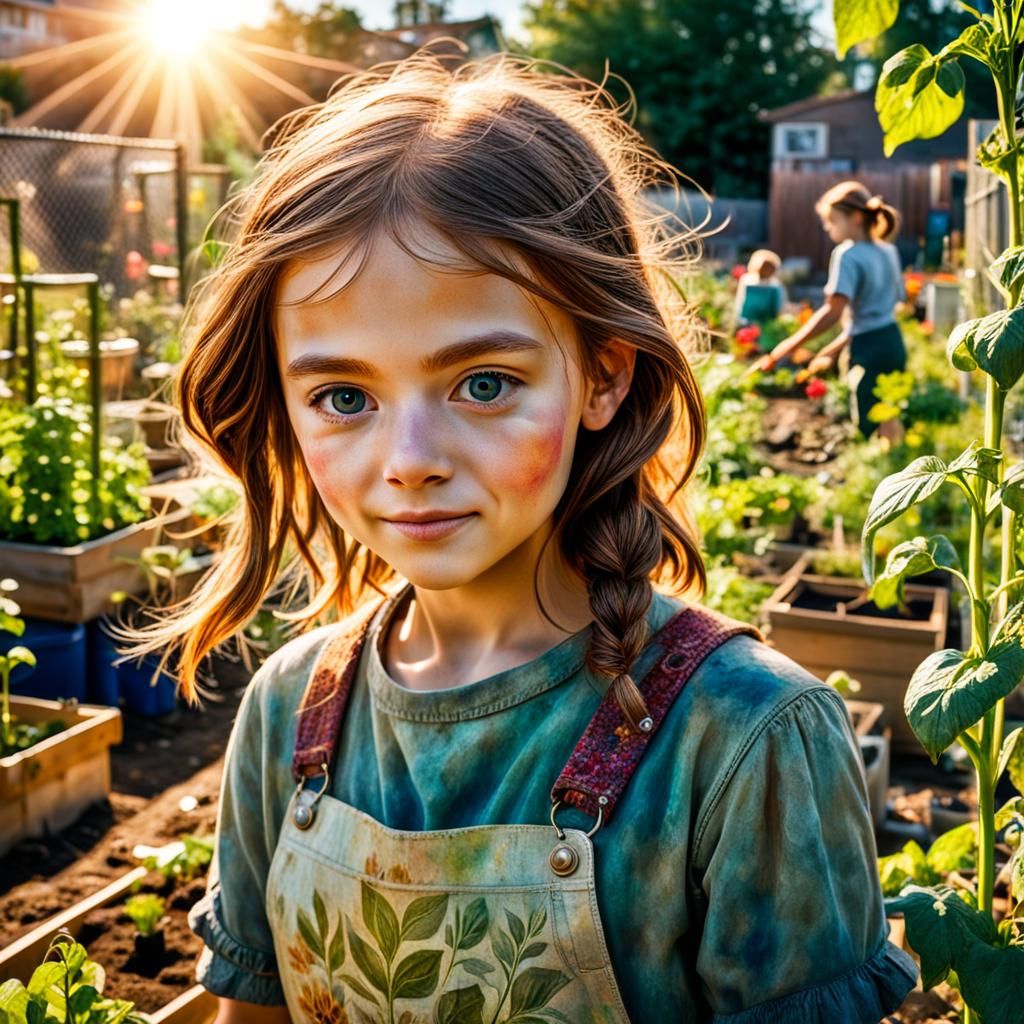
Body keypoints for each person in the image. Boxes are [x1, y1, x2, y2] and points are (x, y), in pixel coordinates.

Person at [123, 55, 918, 1023]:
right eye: (343, 397)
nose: (409, 458)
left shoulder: (746, 740)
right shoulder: (289, 707)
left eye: (484, 382)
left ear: (602, 375)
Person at [750, 181, 907, 439]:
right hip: (892, 342)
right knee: (888, 414)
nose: (827, 227)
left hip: (867, 349)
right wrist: (831, 350)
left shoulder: (847, 254)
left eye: (832, 220)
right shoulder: (888, 250)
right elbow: (875, 315)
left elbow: (832, 313)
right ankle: (895, 464)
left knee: (867, 425)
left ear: (856, 218)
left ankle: (879, 472)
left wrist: (786, 348)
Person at [734, 248, 787, 325]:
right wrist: (738, 320)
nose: (766, 270)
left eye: (770, 267)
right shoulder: (747, 280)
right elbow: (739, 301)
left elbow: (780, 307)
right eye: (764, 267)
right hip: (747, 322)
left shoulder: (776, 285)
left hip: (768, 324)